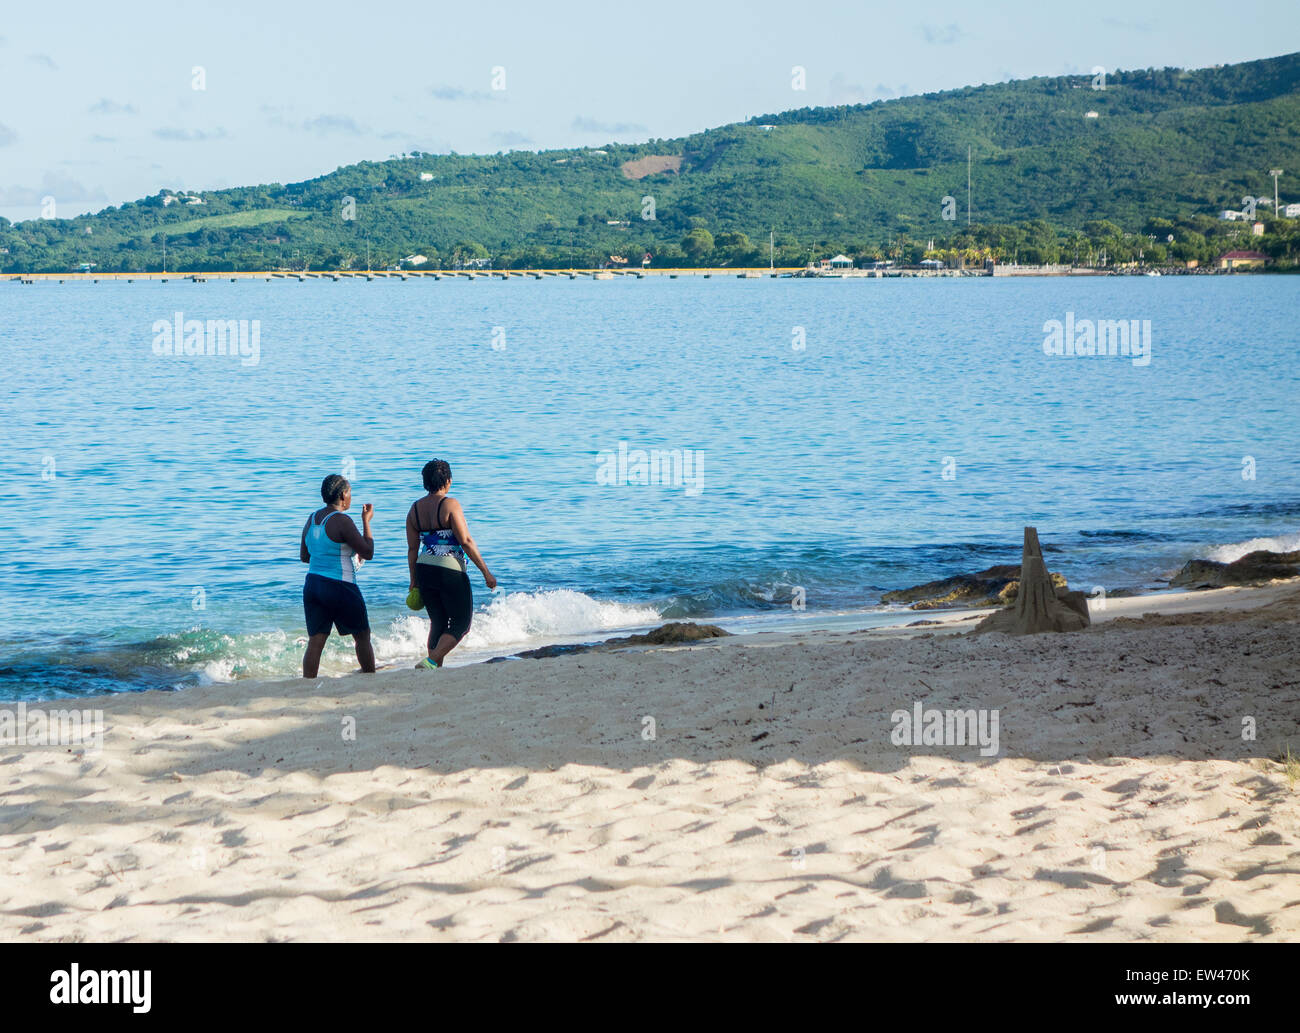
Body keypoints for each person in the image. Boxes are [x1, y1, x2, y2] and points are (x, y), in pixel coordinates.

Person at [406, 459, 496, 669]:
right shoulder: (450, 504)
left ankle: (435, 666)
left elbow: (412, 549)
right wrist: (486, 573)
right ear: (447, 480)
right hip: (450, 569)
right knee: (461, 624)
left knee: (437, 621)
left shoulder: (414, 510)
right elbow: (465, 541)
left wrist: (413, 580)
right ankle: (431, 661)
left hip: (424, 568)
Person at [300, 474, 375, 677]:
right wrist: (366, 522)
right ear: (343, 494)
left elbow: (304, 556)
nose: (350, 496)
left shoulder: (312, 518)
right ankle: (369, 676)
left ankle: (307, 684)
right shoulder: (342, 520)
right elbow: (368, 551)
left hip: (313, 584)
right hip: (340, 585)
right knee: (362, 635)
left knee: (316, 640)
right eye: (350, 493)